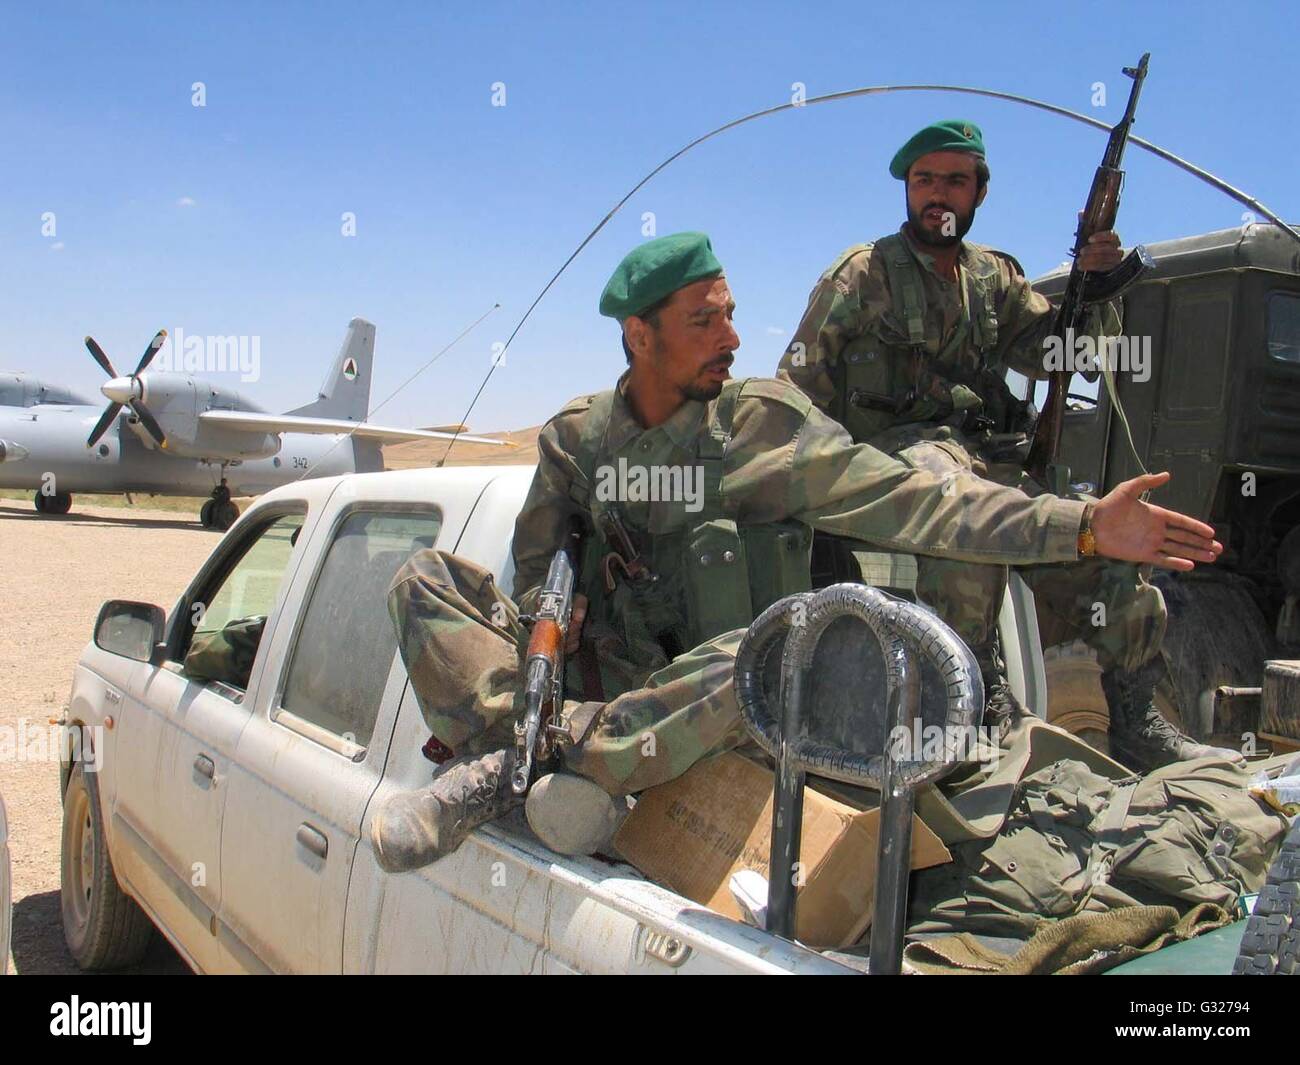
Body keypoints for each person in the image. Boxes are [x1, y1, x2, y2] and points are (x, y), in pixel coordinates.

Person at [371, 231, 1223, 873]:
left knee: (778, 648)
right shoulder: (574, 441)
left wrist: (1077, 525)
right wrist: (553, 610)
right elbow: (535, 582)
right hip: (611, 684)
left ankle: (517, 768)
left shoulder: (762, 429)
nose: (733, 338)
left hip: (719, 714)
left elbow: (919, 503)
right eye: (704, 321)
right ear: (639, 337)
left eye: (732, 314)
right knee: (424, 577)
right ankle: (543, 745)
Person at [776, 119, 1233, 772]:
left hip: (985, 454)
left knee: (1101, 540)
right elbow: (795, 388)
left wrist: (1096, 287)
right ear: (907, 189)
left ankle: (1132, 714)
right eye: (924, 179)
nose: (939, 194)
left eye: (955, 180)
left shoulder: (994, 277)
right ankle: (968, 699)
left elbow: (1059, 354)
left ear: (978, 193)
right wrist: (804, 489)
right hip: (892, 457)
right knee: (967, 520)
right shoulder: (861, 274)